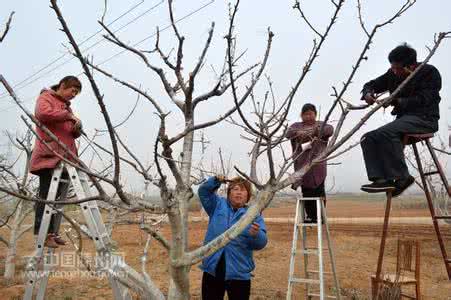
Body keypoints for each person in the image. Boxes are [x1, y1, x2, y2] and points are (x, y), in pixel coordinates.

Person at [360, 43, 441, 197]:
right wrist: (368, 94)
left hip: (424, 119)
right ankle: (380, 180)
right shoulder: (392, 73)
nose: (395, 71)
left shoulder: (429, 73)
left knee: (386, 132)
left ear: (411, 66)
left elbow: (425, 98)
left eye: (398, 68)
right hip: (403, 121)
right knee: (368, 138)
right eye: (393, 68)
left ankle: (402, 177)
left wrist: (398, 101)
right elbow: (371, 84)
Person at [30, 76, 83, 248]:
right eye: (72, 91)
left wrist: (76, 128)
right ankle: (43, 234)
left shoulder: (67, 106)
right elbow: (43, 114)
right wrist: (68, 116)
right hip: (50, 154)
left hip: (65, 156)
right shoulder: (46, 97)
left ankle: (52, 232)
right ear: (62, 86)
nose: (74, 95)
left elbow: (68, 130)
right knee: (46, 197)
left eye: (76, 93)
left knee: (58, 198)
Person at [198, 175, 267, 300]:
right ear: (229, 193)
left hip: (239, 273)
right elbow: (203, 192)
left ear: (248, 195)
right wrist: (215, 180)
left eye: (243, 190)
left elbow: (262, 243)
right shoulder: (217, 205)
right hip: (212, 269)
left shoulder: (253, 214)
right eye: (235, 189)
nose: (239, 193)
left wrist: (256, 235)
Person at [286, 103, 334, 223]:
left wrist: (314, 132)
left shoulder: (321, 125)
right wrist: (305, 133)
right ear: (301, 115)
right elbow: (289, 133)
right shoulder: (296, 126)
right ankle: (311, 216)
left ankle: (320, 217)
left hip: (318, 165)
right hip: (302, 166)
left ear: (315, 114)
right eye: (305, 114)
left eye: (310, 114)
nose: (308, 116)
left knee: (318, 190)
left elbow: (330, 129)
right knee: (306, 191)